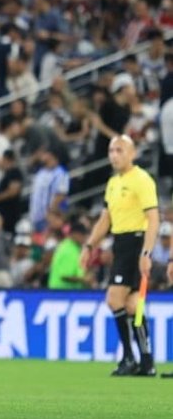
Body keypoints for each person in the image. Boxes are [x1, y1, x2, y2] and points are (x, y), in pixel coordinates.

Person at [82, 135, 160, 377]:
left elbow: (154, 218)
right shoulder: (113, 182)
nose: (114, 155)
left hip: (135, 242)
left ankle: (128, 357)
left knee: (113, 299)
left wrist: (146, 252)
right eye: (111, 150)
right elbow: (105, 219)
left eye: (120, 150)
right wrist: (89, 245)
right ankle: (146, 362)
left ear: (132, 153)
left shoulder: (142, 179)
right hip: (121, 243)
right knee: (132, 304)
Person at [47, 221, 91, 290]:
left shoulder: (74, 248)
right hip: (61, 293)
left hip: (66, 292)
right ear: (75, 234)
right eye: (82, 235)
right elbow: (64, 275)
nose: (84, 239)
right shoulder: (68, 250)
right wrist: (84, 280)